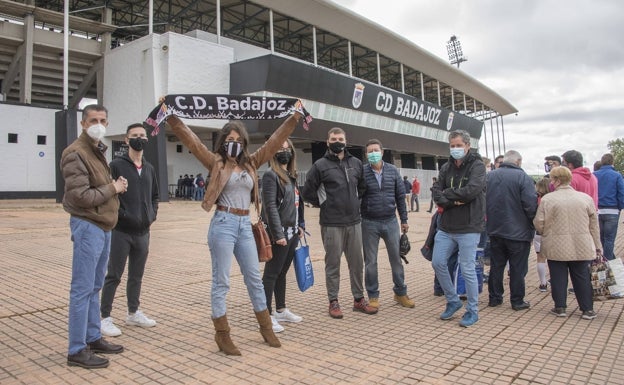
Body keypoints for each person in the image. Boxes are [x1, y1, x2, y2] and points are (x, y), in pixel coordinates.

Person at [165, 110, 304, 355]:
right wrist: (173, 120)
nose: (234, 144)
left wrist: (293, 118)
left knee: (253, 278)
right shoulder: (216, 162)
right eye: (229, 140)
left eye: (238, 141)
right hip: (223, 222)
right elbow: (193, 143)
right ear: (222, 142)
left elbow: (273, 142)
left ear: (244, 143)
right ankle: (222, 334)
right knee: (222, 281)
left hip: (244, 224)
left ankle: (265, 327)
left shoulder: (251, 162)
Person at [60, 104, 126, 369]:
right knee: (82, 289)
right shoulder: (76, 153)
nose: (99, 124)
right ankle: (77, 350)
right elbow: (81, 196)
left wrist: (112, 189)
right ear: (83, 124)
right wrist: (113, 187)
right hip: (88, 226)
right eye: (94, 120)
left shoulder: (97, 151)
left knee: (95, 286)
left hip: (103, 226)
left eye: (103, 120)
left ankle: (92, 336)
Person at [302, 127, 377, 319]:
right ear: (327, 142)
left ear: (346, 141)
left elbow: (362, 187)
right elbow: (308, 191)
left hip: (354, 222)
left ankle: (359, 299)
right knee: (333, 263)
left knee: (357, 263)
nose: (337, 141)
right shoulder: (320, 165)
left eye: (340, 138)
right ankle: (333, 301)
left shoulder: (356, 163)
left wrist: (353, 202)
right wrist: (324, 203)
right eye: (333, 138)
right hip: (331, 223)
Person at [100, 123, 159, 337]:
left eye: (142, 135)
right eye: (134, 136)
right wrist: (121, 215)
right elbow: (108, 193)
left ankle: (133, 312)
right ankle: (104, 317)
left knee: (137, 275)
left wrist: (152, 215)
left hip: (143, 232)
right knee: (114, 274)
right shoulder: (116, 165)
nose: (139, 139)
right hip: (121, 231)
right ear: (126, 140)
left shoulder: (150, 168)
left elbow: (154, 196)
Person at [431, 130, 486, 328]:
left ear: (467, 146)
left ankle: (472, 310)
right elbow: (436, 192)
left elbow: (472, 191)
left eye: (458, 145)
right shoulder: (446, 167)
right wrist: (454, 200)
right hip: (446, 226)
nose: (455, 149)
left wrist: (448, 195)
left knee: (467, 268)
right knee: (438, 262)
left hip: (469, 227)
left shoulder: (477, 166)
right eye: (452, 145)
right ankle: (453, 300)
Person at [533, 166, 602, 320]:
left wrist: (546, 232)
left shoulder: (548, 199)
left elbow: (539, 222)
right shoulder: (585, 198)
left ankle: (560, 307)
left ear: (556, 180)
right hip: (582, 243)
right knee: (582, 276)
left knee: (558, 276)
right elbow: (594, 225)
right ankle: (587, 309)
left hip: (556, 243)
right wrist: (598, 245)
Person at [360, 139, 413, 310]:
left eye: (376, 150)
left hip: (391, 221)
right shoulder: (362, 172)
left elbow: (400, 196)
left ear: (382, 152)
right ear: (366, 154)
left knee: (396, 259)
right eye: (370, 151)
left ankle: (400, 293)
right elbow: (357, 197)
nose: (373, 153)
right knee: (370, 262)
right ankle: (373, 296)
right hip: (369, 222)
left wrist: (404, 219)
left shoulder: (392, 170)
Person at [261, 139, 306, 332]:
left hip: (292, 231)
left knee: (282, 272)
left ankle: (280, 309)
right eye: (279, 149)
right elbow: (270, 206)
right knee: (271, 274)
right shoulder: (271, 175)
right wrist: (278, 234)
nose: (284, 152)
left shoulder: (290, 175)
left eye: (287, 149)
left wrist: (300, 225)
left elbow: (297, 203)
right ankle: (265, 314)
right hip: (279, 234)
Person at [485, 150, 537, 310]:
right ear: (518, 161)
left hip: (495, 230)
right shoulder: (524, 178)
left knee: (496, 266)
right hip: (518, 232)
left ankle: (495, 298)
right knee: (517, 268)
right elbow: (530, 205)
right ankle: (517, 300)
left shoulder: (490, 176)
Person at [593, 153, 624, 261]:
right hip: (612, 209)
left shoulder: (594, 175)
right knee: (609, 240)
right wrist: (620, 207)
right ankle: (609, 264)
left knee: (602, 238)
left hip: (598, 209)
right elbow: (621, 193)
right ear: (612, 162)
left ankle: (610, 259)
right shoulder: (617, 175)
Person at [534, 177, 551, 292]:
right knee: (553, 259)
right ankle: (554, 280)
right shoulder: (551, 199)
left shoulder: (536, 199)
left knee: (540, 258)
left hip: (538, 231)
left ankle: (543, 283)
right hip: (551, 231)